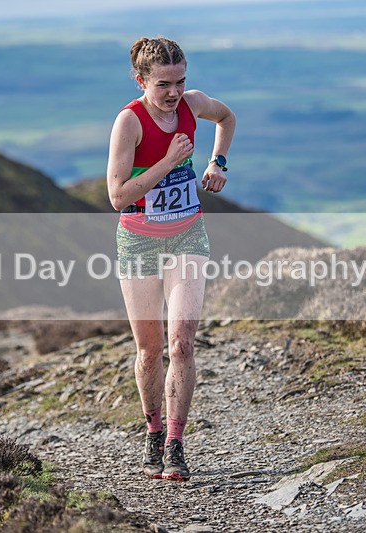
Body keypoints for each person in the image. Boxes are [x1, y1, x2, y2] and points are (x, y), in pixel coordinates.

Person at [106, 36, 235, 481]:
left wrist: (218, 162)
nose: (175, 92)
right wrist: (167, 162)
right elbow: (117, 197)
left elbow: (227, 117)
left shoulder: (193, 105)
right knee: (150, 351)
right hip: (138, 242)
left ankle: (177, 444)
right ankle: (154, 432)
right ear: (140, 79)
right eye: (164, 84)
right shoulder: (130, 122)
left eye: (180, 81)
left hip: (187, 237)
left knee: (181, 344)